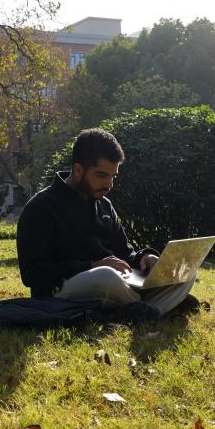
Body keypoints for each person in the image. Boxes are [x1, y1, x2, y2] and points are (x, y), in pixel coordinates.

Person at [15, 128, 198, 321]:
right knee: (106, 276)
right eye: (101, 175)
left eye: (113, 176)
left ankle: (147, 310)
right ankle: (162, 304)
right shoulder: (40, 208)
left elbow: (124, 253)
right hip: (60, 291)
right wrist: (91, 266)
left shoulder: (104, 204)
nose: (109, 185)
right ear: (78, 170)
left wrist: (145, 257)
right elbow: (32, 274)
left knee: (185, 268)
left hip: (116, 285)